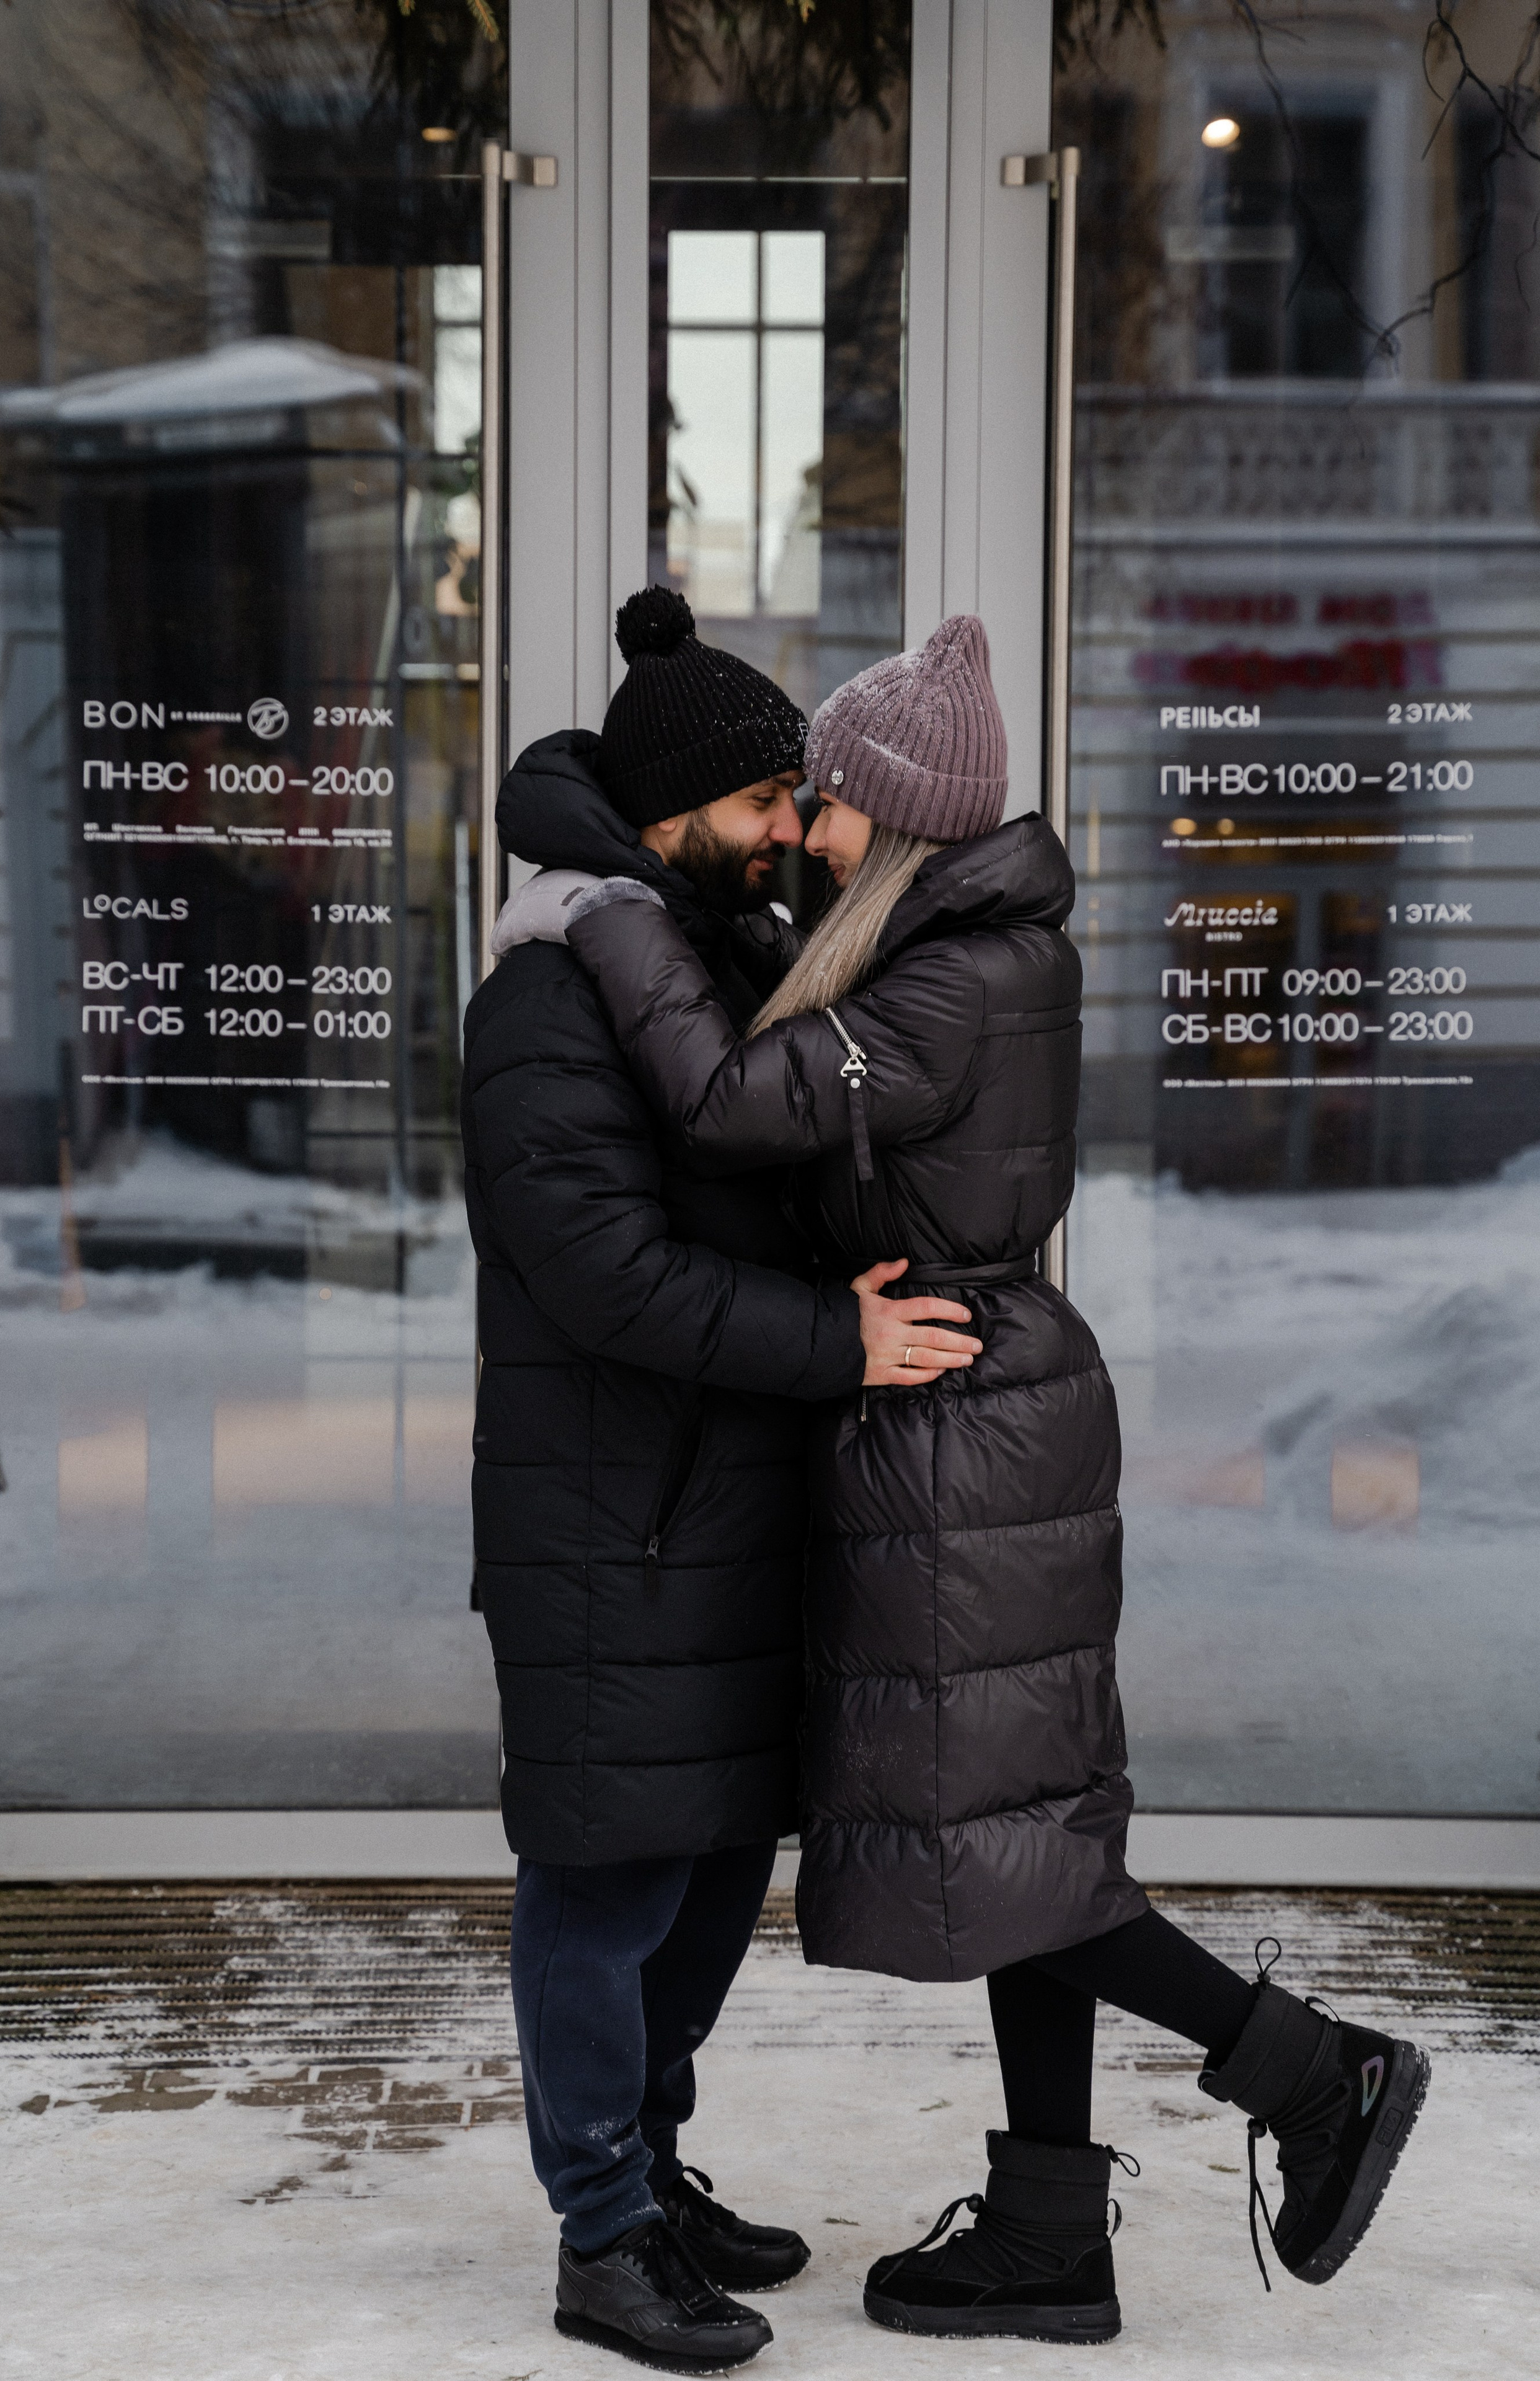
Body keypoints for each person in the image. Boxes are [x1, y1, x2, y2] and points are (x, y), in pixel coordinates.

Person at [503, 611, 1431, 2347]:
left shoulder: (945, 976)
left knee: (1003, 1847)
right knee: (1010, 1835)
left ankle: (1315, 2075)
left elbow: (714, 1098)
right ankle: (1046, 2231)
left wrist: (601, 903)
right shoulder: (948, 942)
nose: (803, 832)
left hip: (956, 1425)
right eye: (784, 798)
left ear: (894, 818)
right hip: (965, 1412)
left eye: (826, 801)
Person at [462, 585, 976, 2372]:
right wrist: (834, 1344)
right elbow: (603, 1276)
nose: (788, 834)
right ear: (681, 805)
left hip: (712, 1509)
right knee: (606, 1883)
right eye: (767, 805)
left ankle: (649, 2169)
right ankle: (598, 2235)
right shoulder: (552, 993)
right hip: (615, 1522)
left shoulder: (694, 954)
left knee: (694, 1879)